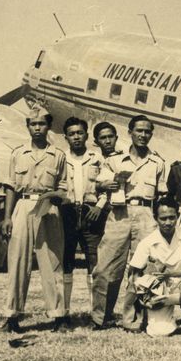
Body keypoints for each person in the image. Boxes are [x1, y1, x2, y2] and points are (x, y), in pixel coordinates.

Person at [91, 115, 167, 332]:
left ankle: (133, 319)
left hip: (145, 214)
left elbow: (161, 196)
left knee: (142, 268)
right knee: (106, 268)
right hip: (119, 214)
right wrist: (110, 184)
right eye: (139, 131)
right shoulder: (115, 160)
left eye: (147, 132)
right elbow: (100, 184)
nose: (143, 135)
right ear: (130, 133)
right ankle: (100, 317)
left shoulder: (157, 163)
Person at [2, 108, 68, 333]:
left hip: (48, 209)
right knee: (18, 260)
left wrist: (56, 197)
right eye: (32, 124)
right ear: (28, 126)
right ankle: (12, 315)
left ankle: (58, 315)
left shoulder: (58, 155)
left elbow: (63, 187)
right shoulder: (18, 153)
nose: (37, 128)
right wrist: (7, 217)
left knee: (52, 261)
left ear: (48, 126)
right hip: (22, 206)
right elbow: (10, 186)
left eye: (41, 124)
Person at [128, 197, 181, 337]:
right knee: (159, 332)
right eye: (163, 218)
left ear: (178, 216)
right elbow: (135, 274)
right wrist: (143, 298)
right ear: (155, 218)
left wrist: (171, 274)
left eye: (172, 218)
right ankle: (152, 317)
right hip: (159, 293)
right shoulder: (148, 241)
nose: (168, 223)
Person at [61, 117, 106, 317]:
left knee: (93, 262)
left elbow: (105, 187)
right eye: (72, 134)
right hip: (68, 213)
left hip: (91, 212)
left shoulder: (97, 159)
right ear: (66, 137)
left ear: (87, 135)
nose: (76, 137)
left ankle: (95, 312)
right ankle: (64, 311)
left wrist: (99, 206)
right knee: (66, 261)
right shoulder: (61, 158)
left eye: (80, 133)